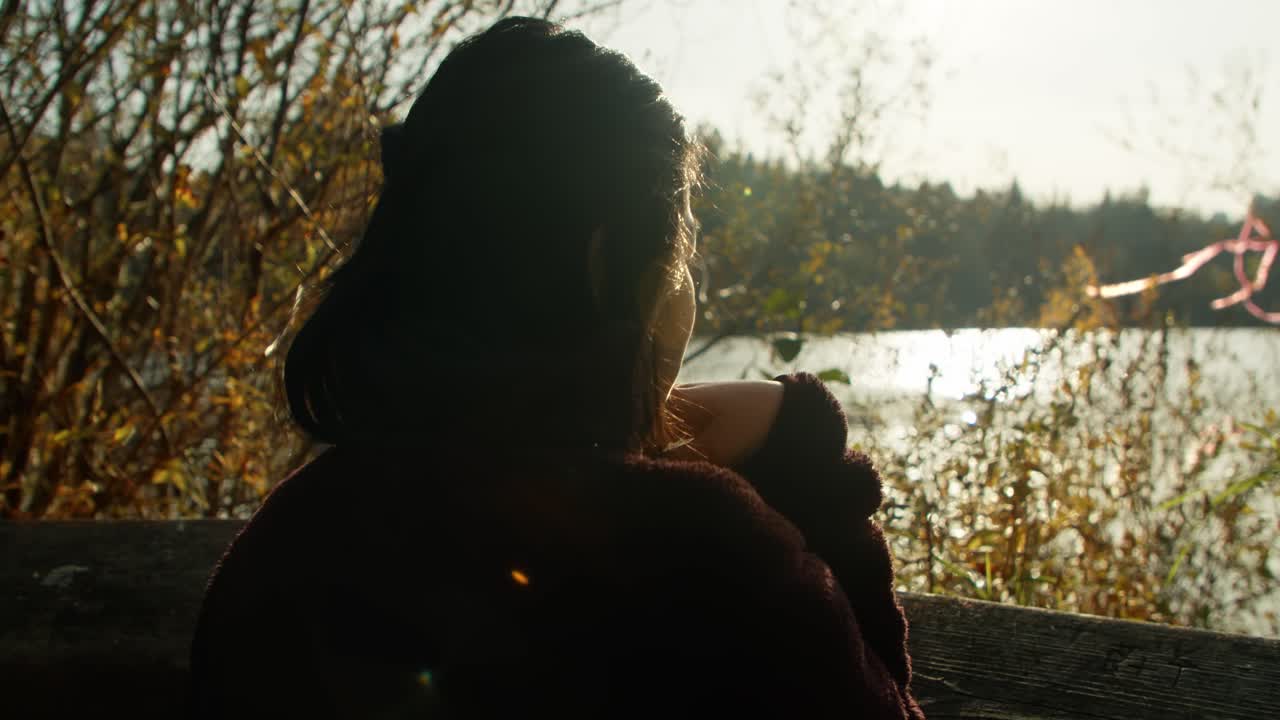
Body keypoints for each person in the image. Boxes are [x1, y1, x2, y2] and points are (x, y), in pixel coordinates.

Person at [189, 16, 924, 719]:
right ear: (603, 263)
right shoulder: (709, 561)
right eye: (679, 250)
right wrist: (807, 458)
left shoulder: (291, 539)